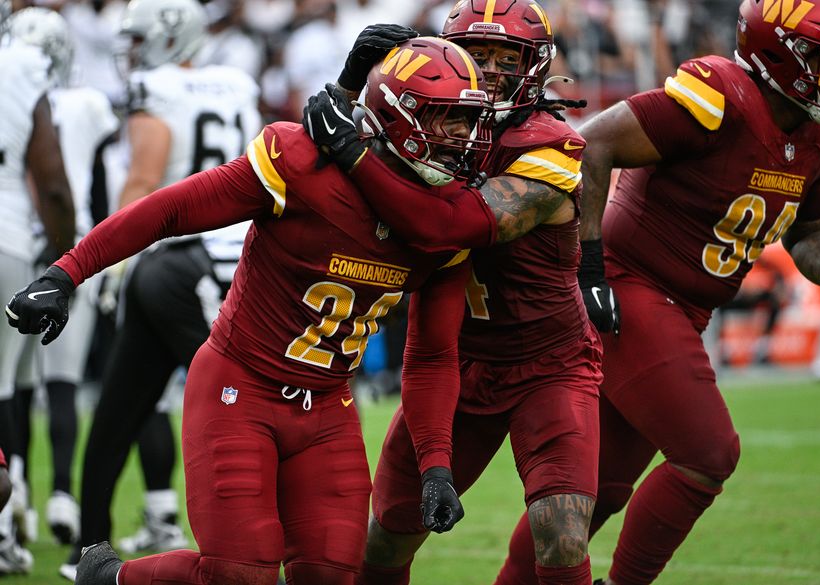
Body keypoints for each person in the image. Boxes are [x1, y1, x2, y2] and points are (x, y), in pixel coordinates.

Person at [7, 34, 494, 585]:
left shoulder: (449, 220)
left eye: (470, 121)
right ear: (397, 117)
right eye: (447, 119)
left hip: (328, 405)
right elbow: (172, 209)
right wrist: (65, 272)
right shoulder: (303, 164)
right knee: (241, 571)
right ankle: (112, 578)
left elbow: (432, 354)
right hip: (241, 388)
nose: (465, 139)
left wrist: (436, 467)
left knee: (333, 573)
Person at [489, 0, 820, 583]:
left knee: (597, 491)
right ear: (778, 57)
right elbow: (591, 143)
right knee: (709, 453)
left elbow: (814, 228)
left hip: (685, 308)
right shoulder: (719, 96)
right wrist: (588, 267)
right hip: (632, 287)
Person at [304, 3, 609, 584]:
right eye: (479, 53)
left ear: (535, 65)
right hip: (452, 360)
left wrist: (358, 152)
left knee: (563, 533)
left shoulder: (550, 146)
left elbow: (447, 225)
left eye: (506, 57)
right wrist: (349, 87)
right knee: (386, 536)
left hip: (550, 362)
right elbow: (320, 163)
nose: (490, 70)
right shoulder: (430, 121)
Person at [51, 0, 260, 579]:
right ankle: (237, 535)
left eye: (141, 41)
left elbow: (146, 178)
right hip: (234, 259)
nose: (133, 55)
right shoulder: (236, 83)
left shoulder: (153, 88)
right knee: (237, 397)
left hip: (170, 254)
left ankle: (88, 548)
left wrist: (109, 262)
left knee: (129, 401)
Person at [7, 5, 120, 548]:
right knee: (63, 383)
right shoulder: (89, 103)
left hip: (14, 240)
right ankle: (63, 494)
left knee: (12, 384)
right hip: (72, 249)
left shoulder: (12, 87)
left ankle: (17, 494)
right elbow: (94, 187)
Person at [0, 0, 77, 574]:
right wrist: (66, 265)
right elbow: (50, 180)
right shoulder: (25, 68)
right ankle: (4, 528)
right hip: (6, 235)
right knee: (4, 383)